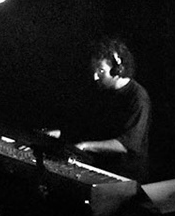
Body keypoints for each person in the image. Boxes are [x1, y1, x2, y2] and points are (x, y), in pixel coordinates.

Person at [48, 37, 151, 179]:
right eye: (94, 70)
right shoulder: (102, 93)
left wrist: (85, 146)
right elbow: (90, 127)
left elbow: (127, 144)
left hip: (124, 176)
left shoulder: (138, 98)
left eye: (101, 71)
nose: (95, 76)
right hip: (99, 167)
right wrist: (61, 133)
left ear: (118, 69)